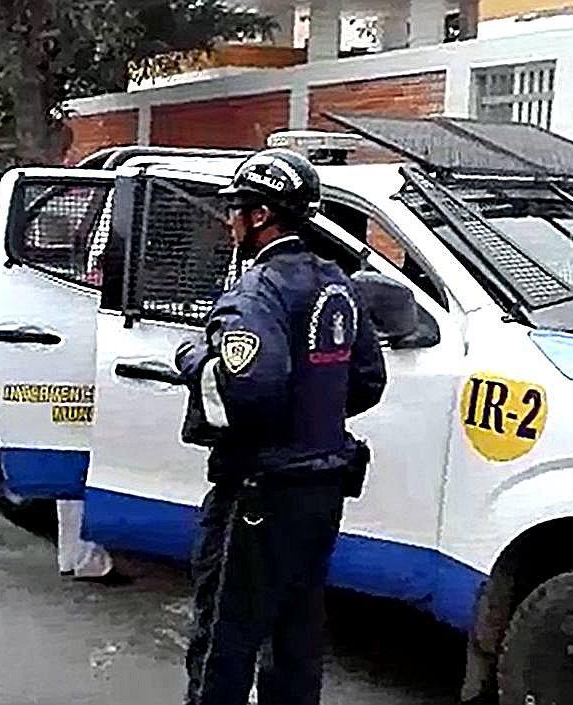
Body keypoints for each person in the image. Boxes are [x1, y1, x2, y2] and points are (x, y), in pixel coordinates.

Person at [175, 148, 387, 705]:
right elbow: (366, 380)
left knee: (226, 638)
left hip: (260, 494)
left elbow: (251, 387)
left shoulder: (258, 291)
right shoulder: (337, 282)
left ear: (262, 215)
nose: (229, 221)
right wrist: (309, 417)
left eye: (236, 210)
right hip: (322, 492)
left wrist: (195, 359)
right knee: (297, 636)